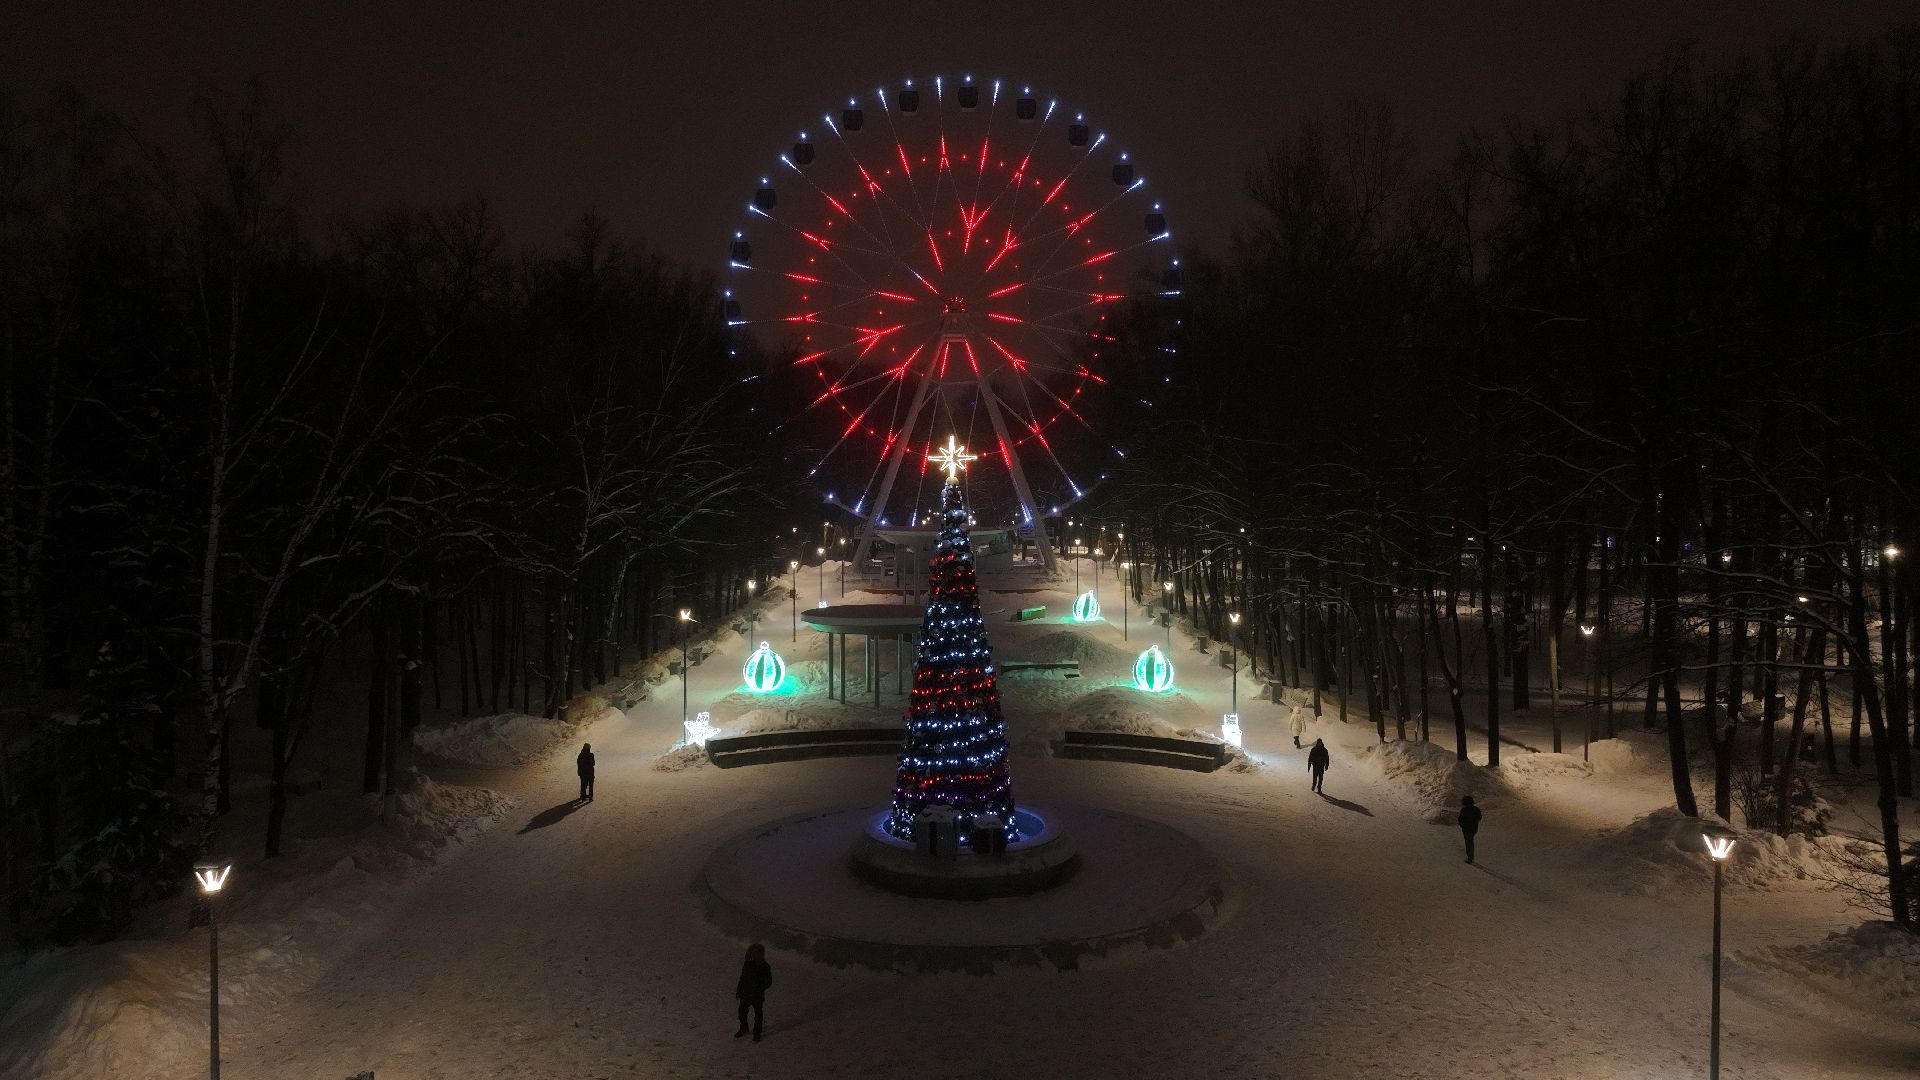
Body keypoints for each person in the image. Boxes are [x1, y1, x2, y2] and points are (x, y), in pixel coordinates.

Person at [734, 942, 773, 1042]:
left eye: (757, 953)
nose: (754, 955)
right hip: (746, 993)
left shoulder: (765, 966)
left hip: (757, 995)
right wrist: (739, 991)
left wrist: (760, 987)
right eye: (753, 953)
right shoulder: (748, 964)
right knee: (742, 1012)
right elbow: (742, 978)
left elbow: (769, 982)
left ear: (761, 954)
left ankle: (757, 1033)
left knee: (758, 1014)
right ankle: (744, 1028)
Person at [1458, 795, 1483, 864]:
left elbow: (1460, 819)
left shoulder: (1464, 810)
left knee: (1468, 843)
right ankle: (1471, 857)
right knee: (1470, 842)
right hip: (1473, 828)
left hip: (1466, 829)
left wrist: (1462, 825)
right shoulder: (1476, 809)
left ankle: (1470, 858)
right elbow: (1480, 817)